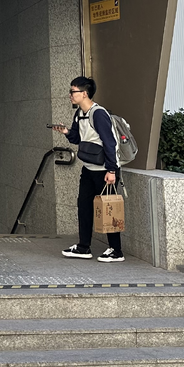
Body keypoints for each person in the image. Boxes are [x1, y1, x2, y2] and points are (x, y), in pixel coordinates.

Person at [54, 76, 124, 263]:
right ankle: (83, 247)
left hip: (104, 170)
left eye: (73, 91)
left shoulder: (98, 113)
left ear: (84, 93)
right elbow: (77, 139)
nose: (70, 95)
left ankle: (116, 251)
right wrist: (66, 132)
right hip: (88, 168)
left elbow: (110, 142)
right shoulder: (79, 113)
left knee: (109, 208)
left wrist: (111, 170)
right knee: (84, 206)